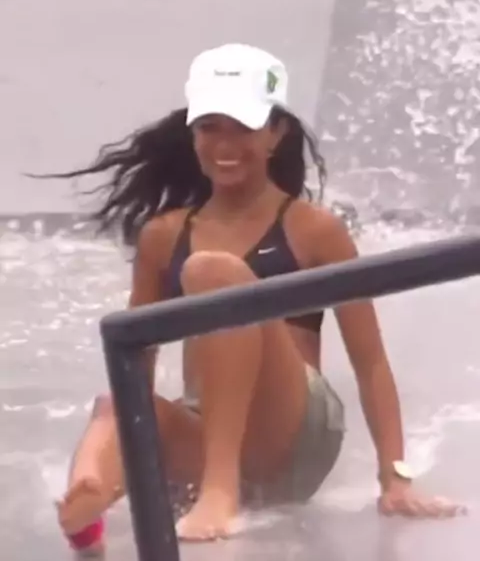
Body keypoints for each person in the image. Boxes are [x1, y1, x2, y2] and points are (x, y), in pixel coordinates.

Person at [53, 43, 463, 555]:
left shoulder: (313, 229)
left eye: (243, 128)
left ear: (276, 132)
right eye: (211, 127)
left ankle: (219, 491)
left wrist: (395, 477)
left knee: (214, 272)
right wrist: (127, 447)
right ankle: (85, 507)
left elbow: (371, 361)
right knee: (116, 404)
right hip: (206, 424)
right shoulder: (163, 235)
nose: (226, 144)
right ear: (193, 133)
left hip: (293, 436)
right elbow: (138, 360)